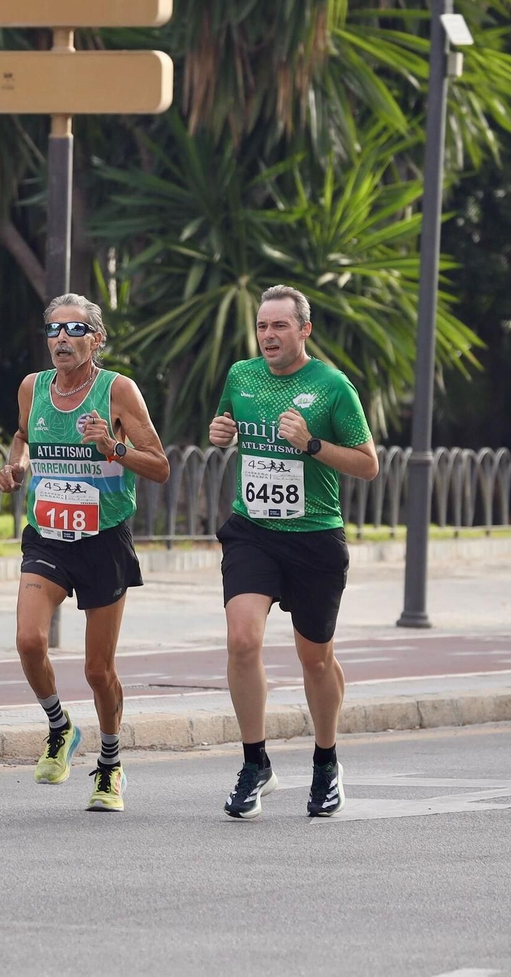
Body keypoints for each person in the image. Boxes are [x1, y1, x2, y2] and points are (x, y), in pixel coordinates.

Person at [209, 285, 378, 819]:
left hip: (314, 537)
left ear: (304, 330)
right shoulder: (241, 376)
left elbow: (368, 463)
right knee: (242, 639)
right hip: (253, 531)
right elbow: (226, 424)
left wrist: (311, 444)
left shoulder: (332, 387)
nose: (269, 336)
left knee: (315, 657)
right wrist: (221, 433)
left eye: (280, 326)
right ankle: (255, 762)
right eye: (262, 326)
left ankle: (326, 761)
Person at [0, 294, 169, 812]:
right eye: (53, 331)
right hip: (47, 533)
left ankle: (111, 765)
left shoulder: (118, 391)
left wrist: (114, 448)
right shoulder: (33, 387)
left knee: (98, 671)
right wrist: (16, 468)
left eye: (74, 330)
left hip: (103, 538)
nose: (61, 339)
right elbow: (22, 437)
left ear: (96, 337)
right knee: (29, 640)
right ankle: (59, 727)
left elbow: (159, 465)